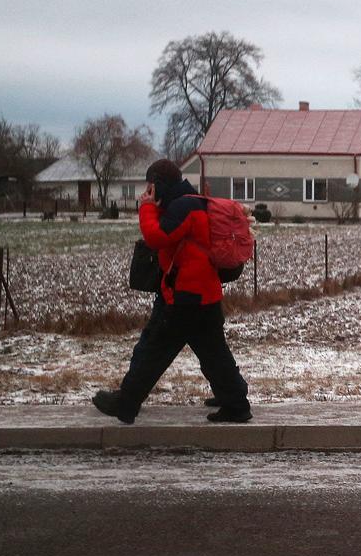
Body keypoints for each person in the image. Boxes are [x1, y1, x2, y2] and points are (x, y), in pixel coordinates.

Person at [92, 159, 251, 424]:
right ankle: (235, 402)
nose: (148, 191)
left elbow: (157, 237)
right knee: (213, 352)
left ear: (159, 184)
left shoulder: (183, 207)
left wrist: (145, 208)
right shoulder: (190, 201)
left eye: (150, 186)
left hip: (185, 297)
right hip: (202, 295)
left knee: (154, 349)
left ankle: (126, 403)